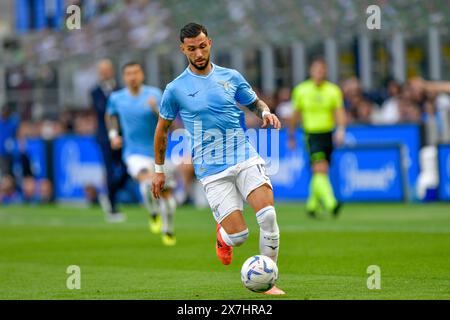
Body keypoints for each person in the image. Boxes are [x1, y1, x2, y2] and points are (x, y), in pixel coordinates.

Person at [152, 23, 284, 295]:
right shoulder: (175, 89)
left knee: (268, 215)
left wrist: (266, 113)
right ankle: (223, 236)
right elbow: (162, 131)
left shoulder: (231, 77)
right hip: (211, 169)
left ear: (209, 43)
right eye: (192, 49)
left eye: (202, 46)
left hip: (244, 155)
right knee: (239, 236)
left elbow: (254, 103)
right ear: (183, 50)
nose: (198, 53)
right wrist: (159, 170)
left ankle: (269, 279)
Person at [106, 61, 177, 246]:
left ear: (142, 75)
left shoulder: (154, 94)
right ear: (124, 77)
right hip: (133, 152)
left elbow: (170, 123)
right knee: (146, 182)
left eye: (136, 72)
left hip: (159, 154)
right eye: (129, 73)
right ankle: (153, 212)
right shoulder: (116, 97)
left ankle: (168, 229)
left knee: (167, 196)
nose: (132, 76)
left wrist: (155, 109)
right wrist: (113, 135)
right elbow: (111, 116)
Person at [289, 57, 346, 218]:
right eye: (317, 70)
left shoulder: (333, 90)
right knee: (320, 168)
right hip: (311, 135)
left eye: (322, 70)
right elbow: (295, 114)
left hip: (328, 134)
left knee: (320, 171)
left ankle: (312, 205)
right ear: (311, 71)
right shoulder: (301, 90)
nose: (319, 73)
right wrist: (291, 135)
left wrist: (341, 130)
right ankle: (331, 203)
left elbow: (339, 111)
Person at [91, 59, 129, 223]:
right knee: (109, 171)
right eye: (102, 70)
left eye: (107, 69)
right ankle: (112, 206)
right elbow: (102, 110)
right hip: (104, 138)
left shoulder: (121, 89)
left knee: (127, 168)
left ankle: (109, 194)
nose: (105, 72)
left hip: (122, 136)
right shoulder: (95, 91)